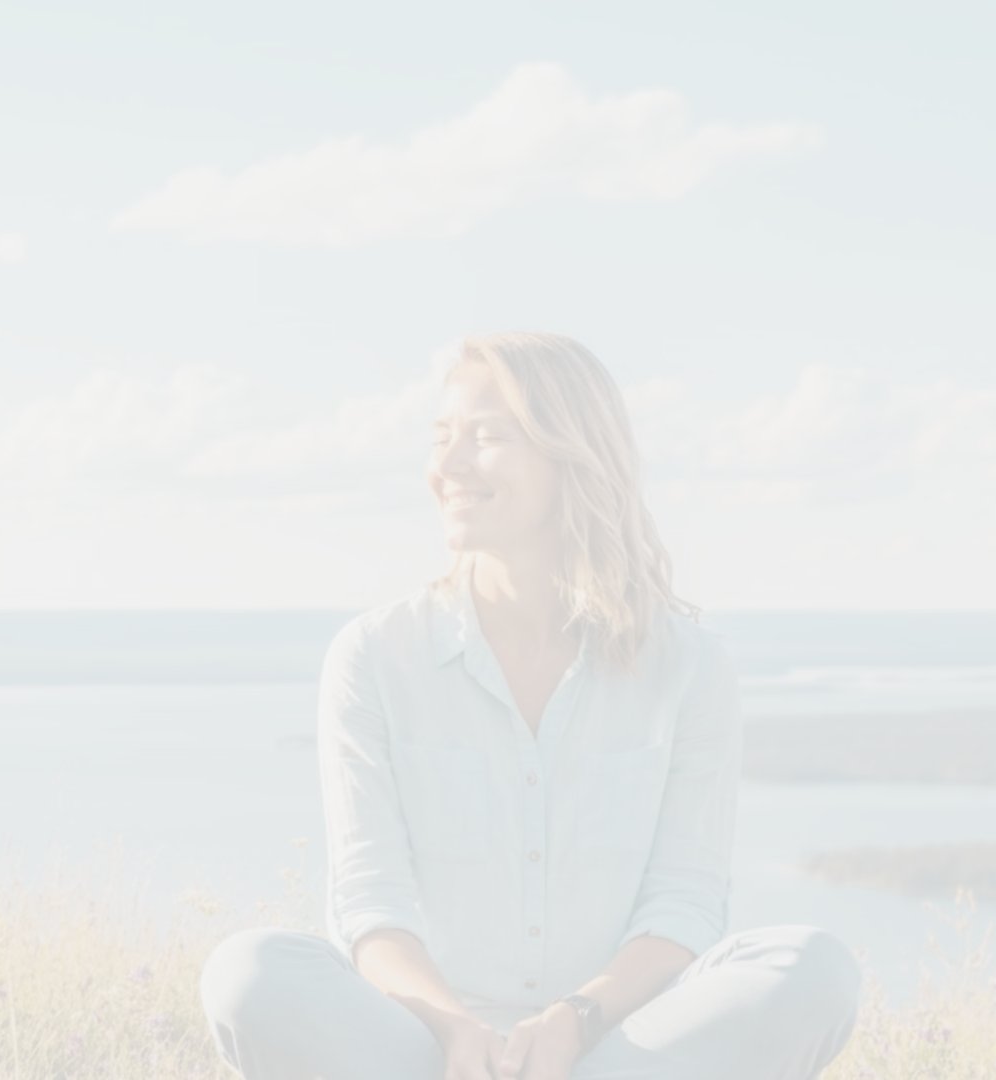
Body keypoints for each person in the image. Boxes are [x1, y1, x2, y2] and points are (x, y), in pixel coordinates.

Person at [198, 333, 862, 1079]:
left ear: (571, 453)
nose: (446, 467)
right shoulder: (375, 657)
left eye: (485, 437)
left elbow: (686, 903)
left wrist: (575, 1023)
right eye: (442, 438)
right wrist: (456, 1032)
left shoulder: (689, 668)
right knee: (248, 972)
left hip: (616, 1047)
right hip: (431, 1047)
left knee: (814, 969)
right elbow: (368, 904)